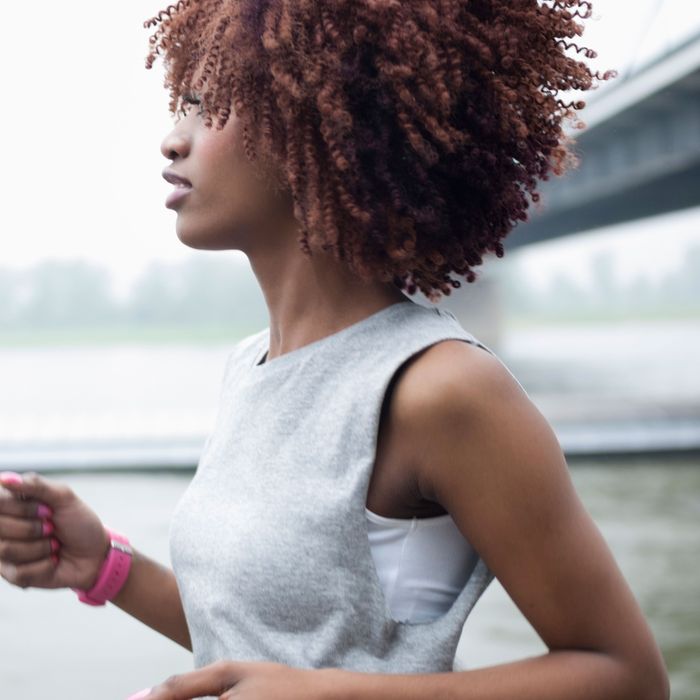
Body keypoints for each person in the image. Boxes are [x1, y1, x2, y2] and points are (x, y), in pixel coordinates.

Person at [0, 1, 669, 699]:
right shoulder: (251, 365)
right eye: (181, 107)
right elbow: (269, 650)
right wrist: (109, 569)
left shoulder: (438, 388)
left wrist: (333, 696)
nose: (173, 140)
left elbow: (625, 676)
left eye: (209, 106)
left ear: (321, 125)